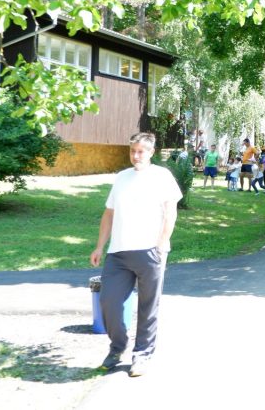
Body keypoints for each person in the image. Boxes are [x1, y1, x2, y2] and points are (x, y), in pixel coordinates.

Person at [90, 132, 181, 376]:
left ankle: (142, 355)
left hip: (150, 251)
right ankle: (117, 347)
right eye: (132, 151)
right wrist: (99, 246)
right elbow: (109, 214)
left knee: (147, 307)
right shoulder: (122, 177)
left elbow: (170, 212)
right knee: (108, 301)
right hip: (118, 253)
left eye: (141, 151)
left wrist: (161, 243)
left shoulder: (162, 176)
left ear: (151, 152)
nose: (136, 155)